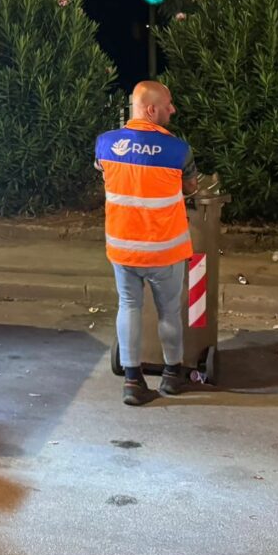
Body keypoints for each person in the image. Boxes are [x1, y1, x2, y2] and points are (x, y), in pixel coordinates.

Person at [94, 80, 198, 406]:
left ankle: (132, 381)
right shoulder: (178, 149)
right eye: (168, 103)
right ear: (151, 109)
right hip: (164, 250)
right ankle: (171, 377)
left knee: (129, 307)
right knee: (169, 312)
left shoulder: (106, 144)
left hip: (123, 248)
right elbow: (191, 188)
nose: (173, 109)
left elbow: (105, 174)